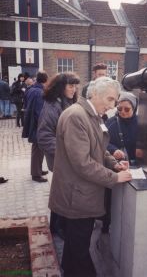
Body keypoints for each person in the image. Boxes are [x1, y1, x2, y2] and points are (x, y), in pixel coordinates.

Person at [49, 76, 132, 277]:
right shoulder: (77, 117)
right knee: (79, 251)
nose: (113, 107)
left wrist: (114, 164)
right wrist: (114, 178)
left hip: (80, 195)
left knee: (74, 247)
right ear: (94, 95)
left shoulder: (91, 116)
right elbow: (82, 163)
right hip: (76, 198)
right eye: (110, 100)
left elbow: (99, 150)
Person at [37, 72, 80, 237]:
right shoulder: (52, 105)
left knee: (62, 192)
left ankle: (57, 226)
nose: (74, 89)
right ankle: (58, 227)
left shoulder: (67, 102)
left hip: (65, 159)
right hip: (59, 159)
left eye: (75, 86)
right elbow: (44, 136)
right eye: (71, 86)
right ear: (61, 87)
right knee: (62, 193)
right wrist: (66, 151)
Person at [100, 91, 138, 234]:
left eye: (127, 109)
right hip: (114, 164)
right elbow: (102, 143)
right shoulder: (111, 122)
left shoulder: (141, 122)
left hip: (134, 165)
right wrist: (113, 149)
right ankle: (106, 223)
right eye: (119, 108)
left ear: (134, 109)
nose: (122, 112)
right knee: (110, 197)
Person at [22, 70, 49, 182]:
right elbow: (39, 112)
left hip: (32, 122)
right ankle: (36, 174)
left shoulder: (31, 89)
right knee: (38, 149)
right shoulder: (39, 92)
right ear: (46, 80)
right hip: (38, 124)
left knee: (39, 148)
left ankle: (37, 169)